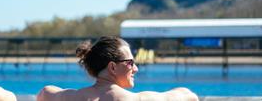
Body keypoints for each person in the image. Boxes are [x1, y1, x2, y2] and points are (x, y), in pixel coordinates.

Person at [37, 36, 198, 101]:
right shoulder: (138, 99)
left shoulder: (71, 97)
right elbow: (188, 95)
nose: (135, 69)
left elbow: (45, 91)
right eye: (130, 63)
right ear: (113, 67)